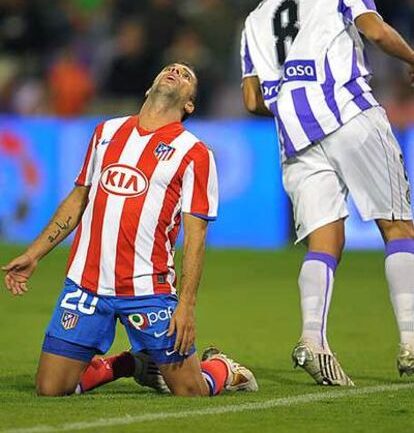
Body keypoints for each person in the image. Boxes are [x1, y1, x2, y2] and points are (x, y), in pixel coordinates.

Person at [3, 62, 258, 397]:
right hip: (87, 285)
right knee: (51, 388)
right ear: (148, 88)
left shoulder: (195, 153)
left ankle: (224, 368)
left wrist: (187, 305)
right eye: (170, 68)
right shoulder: (106, 132)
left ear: (189, 105)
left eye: (186, 75)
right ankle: (129, 364)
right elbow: (79, 197)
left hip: (148, 289)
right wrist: (34, 254)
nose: (175, 72)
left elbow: (196, 236)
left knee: (191, 391)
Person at [241, 0, 414, 386]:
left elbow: (253, 101)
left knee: (325, 242)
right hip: (350, 115)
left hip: (295, 138)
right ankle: (412, 342)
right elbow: (375, 33)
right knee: (397, 224)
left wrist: (292, 97)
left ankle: (313, 339)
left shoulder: (256, 17)